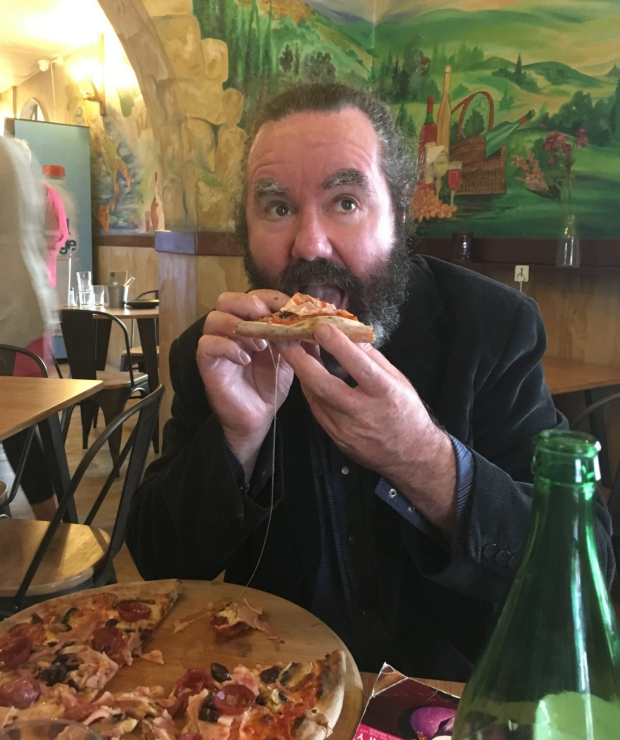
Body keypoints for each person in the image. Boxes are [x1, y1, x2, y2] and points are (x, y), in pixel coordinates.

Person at [127, 84, 614, 681]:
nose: (309, 243)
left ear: (399, 216)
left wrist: (425, 460)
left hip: (459, 695)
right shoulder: (215, 352)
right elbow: (158, 561)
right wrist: (236, 442)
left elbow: (584, 565)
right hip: (282, 698)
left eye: (346, 201)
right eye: (277, 208)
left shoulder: (491, 330)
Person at [0, 137, 58, 520]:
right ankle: (55, 517)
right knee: (24, 425)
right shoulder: (14, 153)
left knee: (17, 424)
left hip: (11, 306)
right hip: (26, 298)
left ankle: (52, 521)